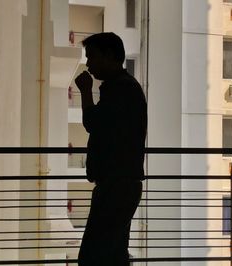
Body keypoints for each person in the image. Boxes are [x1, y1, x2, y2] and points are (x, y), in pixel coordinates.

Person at [75, 32, 147, 266]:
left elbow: (92, 123)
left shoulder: (120, 88)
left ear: (108, 55)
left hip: (117, 187)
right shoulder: (124, 87)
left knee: (92, 256)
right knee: (112, 255)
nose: (88, 64)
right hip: (120, 186)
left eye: (92, 57)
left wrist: (85, 90)